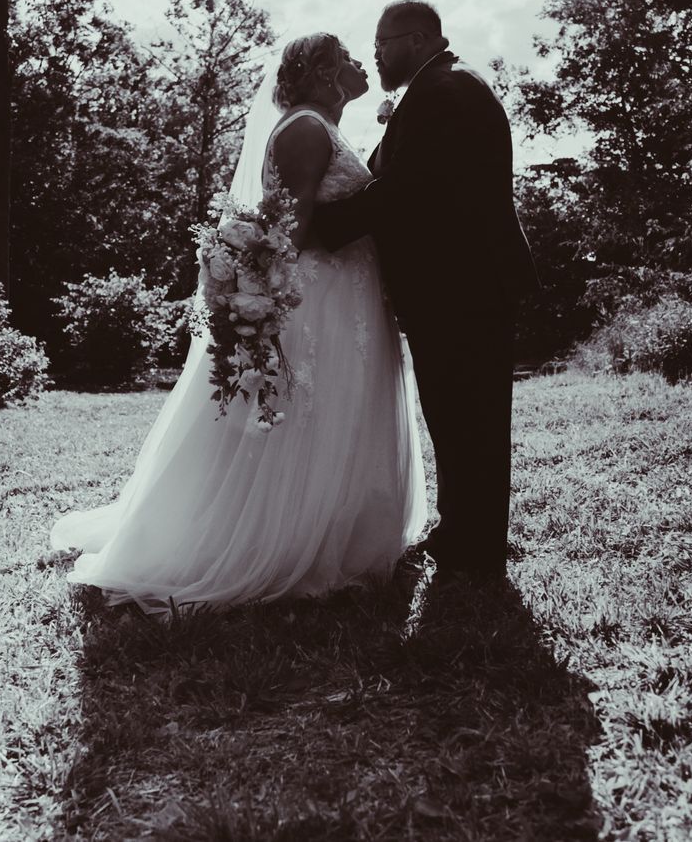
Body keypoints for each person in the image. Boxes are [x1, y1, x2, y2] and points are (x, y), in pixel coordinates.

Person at [49, 32, 428, 613]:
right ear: (325, 73)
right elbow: (291, 230)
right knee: (308, 417)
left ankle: (340, 530)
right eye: (348, 56)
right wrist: (261, 296)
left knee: (336, 415)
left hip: (345, 296)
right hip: (319, 300)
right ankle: (282, 540)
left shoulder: (322, 127)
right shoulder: (304, 128)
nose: (360, 62)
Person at [309, 0, 537, 578]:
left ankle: (476, 550)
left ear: (414, 39)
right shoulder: (438, 87)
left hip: (465, 285)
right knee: (457, 416)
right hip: (453, 286)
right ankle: (462, 534)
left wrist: (318, 230)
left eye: (382, 43)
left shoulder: (446, 91)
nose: (377, 54)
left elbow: (405, 192)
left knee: (473, 417)